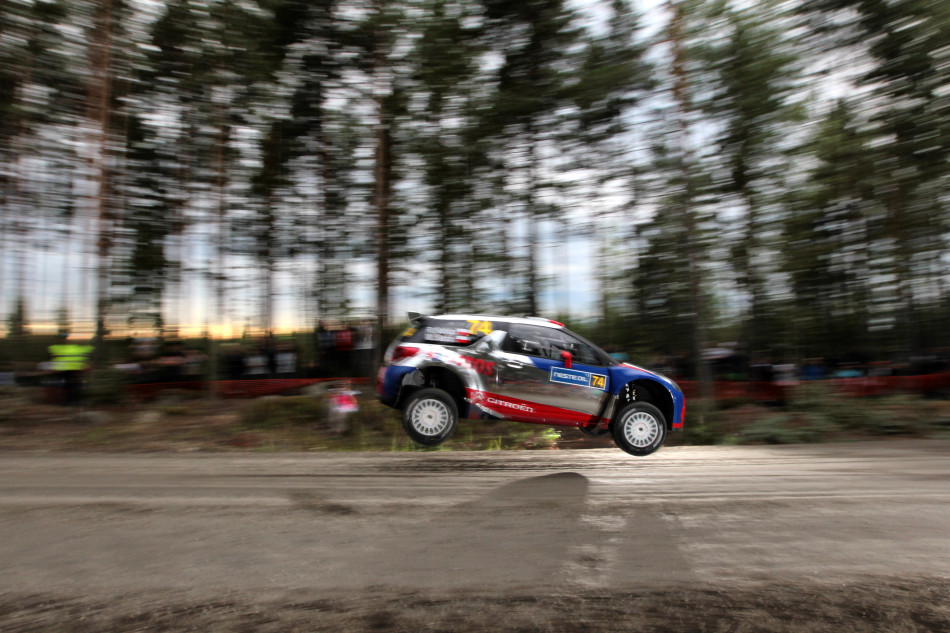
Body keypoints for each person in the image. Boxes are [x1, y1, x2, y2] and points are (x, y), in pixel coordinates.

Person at [48, 332, 93, 405]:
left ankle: (71, 400)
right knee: (71, 385)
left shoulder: (63, 348)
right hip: (68, 369)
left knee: (70, 385)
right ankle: (72, 400)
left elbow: (82, 357)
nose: (64, 340)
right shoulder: (60, 348)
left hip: (70, 369)